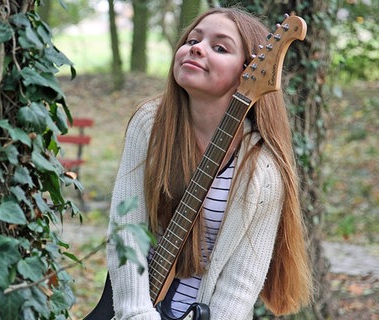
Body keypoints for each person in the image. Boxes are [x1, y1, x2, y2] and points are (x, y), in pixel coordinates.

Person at [106, 6, 313, 320]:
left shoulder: (263, 168)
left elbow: (241, 281)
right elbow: (126, 228)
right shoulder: (149, 125)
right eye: (192, 40)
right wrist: (136, 313)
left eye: (219, 47)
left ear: (249, 71)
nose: (196, 48)